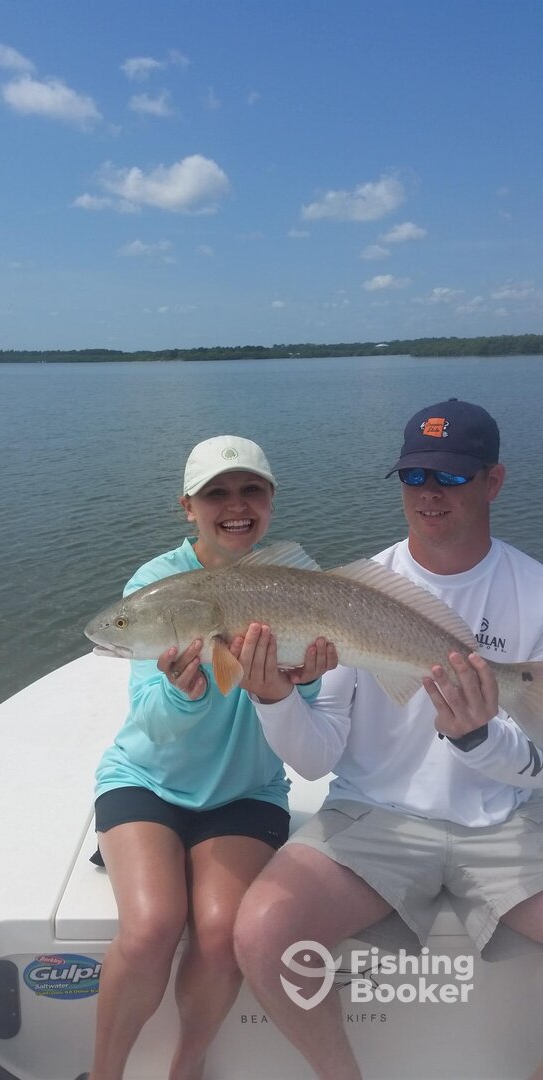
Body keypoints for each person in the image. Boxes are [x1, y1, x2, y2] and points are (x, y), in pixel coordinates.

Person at [233, 399, 543, 1080]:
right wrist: (274, 697)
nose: (429, 494)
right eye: (413, 476)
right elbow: (317, 757)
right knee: (260, 931)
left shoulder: (535, 593)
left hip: (509, 822)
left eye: (452, 477)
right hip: (374, 815)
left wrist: (477, 741)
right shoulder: (352, 591)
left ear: (494, 481)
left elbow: (538, 772)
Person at [87, 435, 335, 1080]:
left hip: (246, 791)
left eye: (251, 489)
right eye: (216, 493)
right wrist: (183, 692)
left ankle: (185, 1067)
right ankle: (104, 1072)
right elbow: (152, 725)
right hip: (148, 781)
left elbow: (306, 713)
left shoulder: (300, 582)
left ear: (271, 500)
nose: (236, 506)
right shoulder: (156, 586)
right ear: (187, 506)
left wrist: (300, 682)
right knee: (150, 928)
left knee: (223, 933)